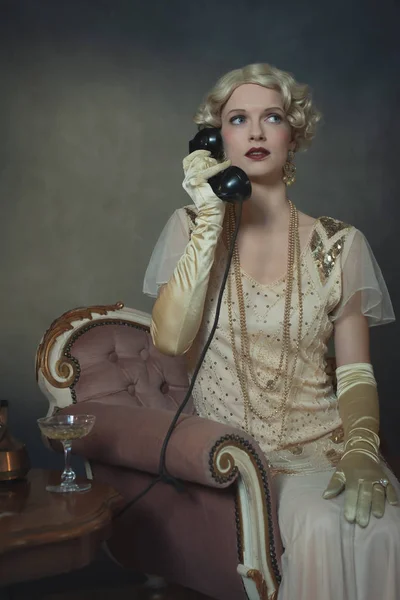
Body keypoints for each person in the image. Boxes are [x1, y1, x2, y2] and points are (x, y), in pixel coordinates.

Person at [143, 63, 400, 600]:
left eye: (272, 118)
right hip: (238, 457)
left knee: (382, 526)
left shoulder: (339, 243)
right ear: (216, 141)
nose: (256, 132)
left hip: (324, 444)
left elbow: (354, 372)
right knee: (322, 525)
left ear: (294, 135)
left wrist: (361, 449)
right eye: (238, 119)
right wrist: (210, 221)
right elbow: (169, 340)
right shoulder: (192, 228)